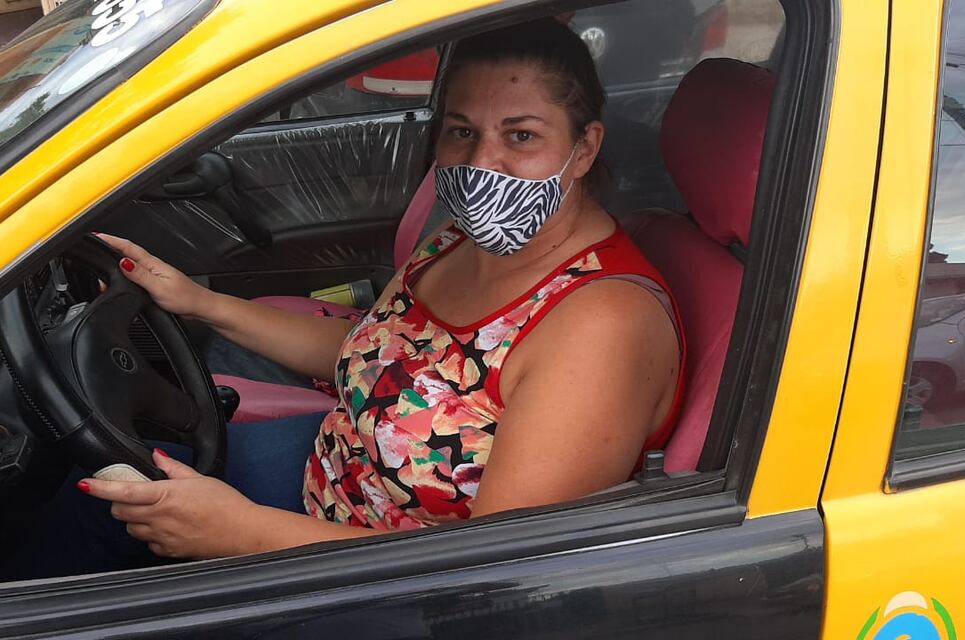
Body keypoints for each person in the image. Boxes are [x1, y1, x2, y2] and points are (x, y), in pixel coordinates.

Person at [11, 17, 685, 573]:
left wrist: (241, 532)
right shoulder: (462, 238)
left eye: (522, 135)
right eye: (461, 131)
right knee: (98, 496)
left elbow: (496, 568)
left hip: (388, 584)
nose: (483, 163)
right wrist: (196, 300)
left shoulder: (603, 323)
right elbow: (371, 348)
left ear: (584, 147)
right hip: (327, 475)